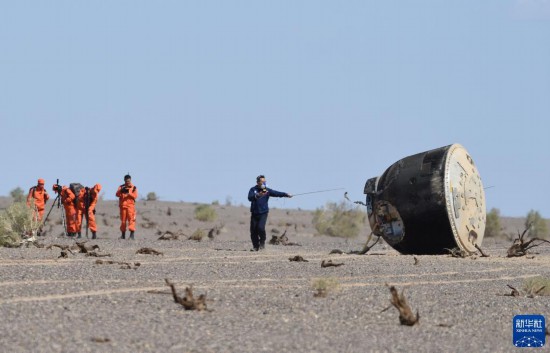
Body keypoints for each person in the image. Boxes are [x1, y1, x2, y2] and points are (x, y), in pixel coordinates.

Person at [247, 175, 292, 251]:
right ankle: (255, 247)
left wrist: (286, 194)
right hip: (254, 213)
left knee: (261, 228)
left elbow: (276, 193)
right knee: (253, 231)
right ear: (258, 182)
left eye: (265, 181)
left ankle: (262, 243)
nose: (264, 183)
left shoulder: (266, 190)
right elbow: (249, 198)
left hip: (263, 213)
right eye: (262, 181)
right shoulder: (253, 189)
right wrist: (258, 195)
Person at [116, 174, 138, 240]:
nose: (127, 182)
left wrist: (129, 193)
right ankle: (123, 235)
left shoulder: (133, 187)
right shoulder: (121, 187)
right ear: (124, 180)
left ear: (130, 180)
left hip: (130, 207)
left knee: (131, 220)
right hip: (123, 207)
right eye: (126, 181)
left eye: (128, 181)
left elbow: (135, 196)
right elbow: (117, 194)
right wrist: (121, 190)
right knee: (123, 221)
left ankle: (132, 235)